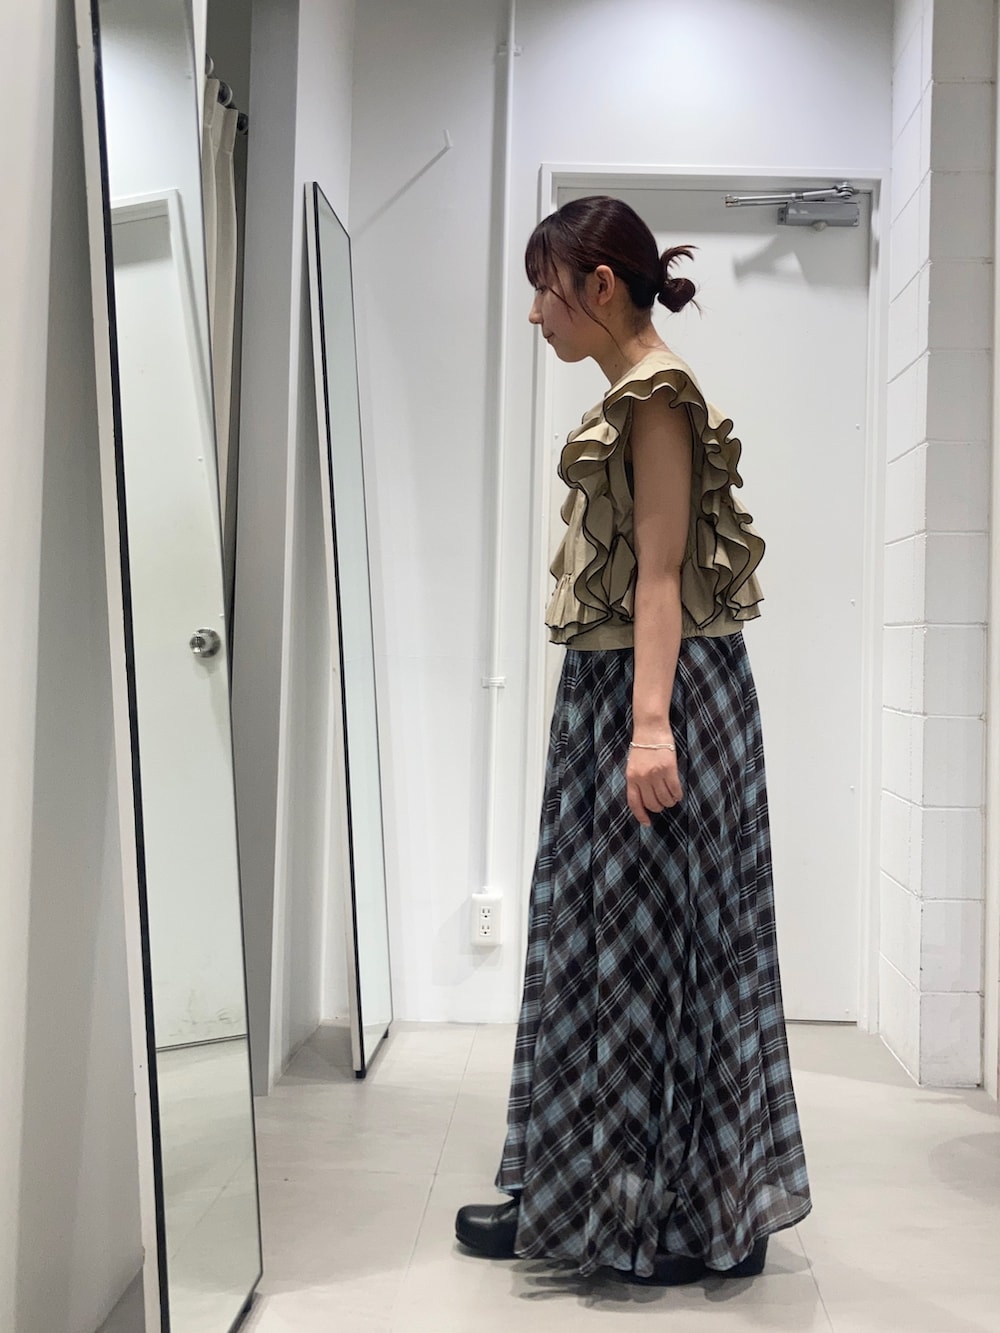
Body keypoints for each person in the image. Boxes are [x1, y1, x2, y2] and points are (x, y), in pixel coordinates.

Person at [455, 196, 811, 1284]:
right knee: (606, 942)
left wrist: (650, 729)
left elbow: (660, 578)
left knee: (652, 951)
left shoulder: (657, 398)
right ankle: (579, 1194)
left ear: (599, 286)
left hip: (658, 697)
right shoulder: (630, 393)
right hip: (623, 690)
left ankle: (669, 1216)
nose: (536, 314)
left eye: (546, 289)